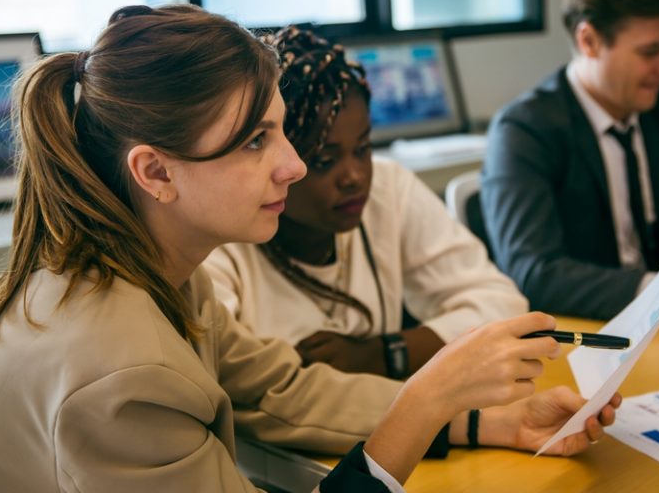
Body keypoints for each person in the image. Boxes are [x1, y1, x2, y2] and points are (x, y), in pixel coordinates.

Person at [0, 5, 619, 493]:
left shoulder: (153, 268)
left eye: (281, 132)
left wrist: (484, 420)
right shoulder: (117, 379)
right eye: (255, 141)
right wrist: (426, 395)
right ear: (156, 172)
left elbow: (282, 390)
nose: (293, 166)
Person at [204, 26, 528, 379]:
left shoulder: (387, 189)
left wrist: (386, 353)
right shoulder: (222, 237)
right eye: (325, 161)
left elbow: (503, 304)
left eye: (362, 149)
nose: (354, 176)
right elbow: (237, 385)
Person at [482, 0, 659, 324]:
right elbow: (534, 273)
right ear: (588, 40)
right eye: (651, 51)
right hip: (587, 339)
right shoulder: (525, 130)